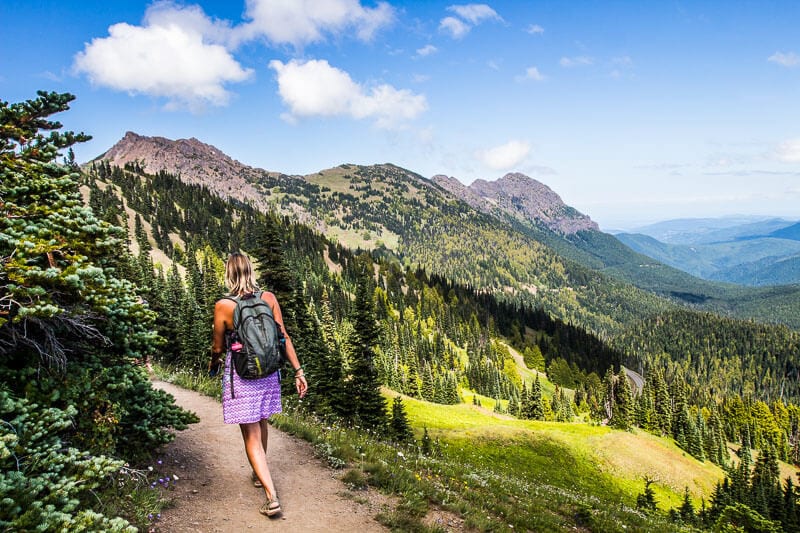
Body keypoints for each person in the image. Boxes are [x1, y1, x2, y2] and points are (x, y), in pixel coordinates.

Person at [210, 252, 308, 517]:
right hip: (269, 373)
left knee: (250, 434)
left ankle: (271, 496)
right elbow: (283, 336)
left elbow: (218, 346)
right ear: (251, 271)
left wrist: (213, 363)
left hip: (242, 375)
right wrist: (298, 371)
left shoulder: (224, 305)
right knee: (262, 421)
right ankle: (258, 472)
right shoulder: (269, 298)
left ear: (229, 274)